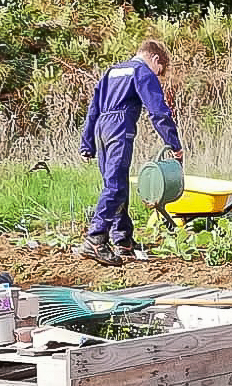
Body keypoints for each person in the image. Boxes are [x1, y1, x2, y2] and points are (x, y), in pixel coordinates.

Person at [76, 39, 184, 267]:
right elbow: (158, 111)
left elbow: (93, 109)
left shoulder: (111, 72)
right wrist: (174, 144)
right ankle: (95, 238)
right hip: (119, 128)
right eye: (161, 71)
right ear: (155, 60)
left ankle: (122, 239)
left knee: (117, 184)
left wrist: (87, 143)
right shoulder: (142, 72)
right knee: (115, 186)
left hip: (101, 129)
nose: (159, 76)